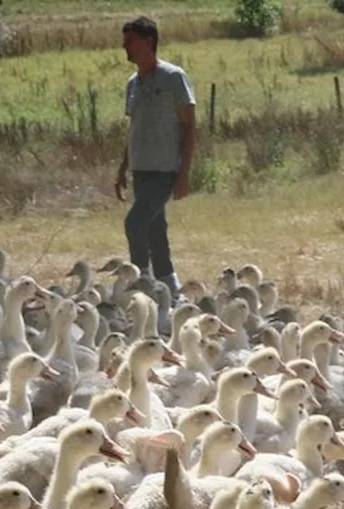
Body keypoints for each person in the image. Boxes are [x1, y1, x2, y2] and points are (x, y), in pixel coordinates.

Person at [115, 16, 196, 300]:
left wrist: (184, 174)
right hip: (140, 167)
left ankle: (144, 285)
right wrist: (124, 166)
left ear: (148, 42)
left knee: (134, 224)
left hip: (164, 169)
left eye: (130, 41)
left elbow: (189, 126)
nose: (124, 46)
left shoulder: (174, 78)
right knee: (154, 229)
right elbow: (133, 126)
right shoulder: (132, 84)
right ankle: (170, 289)